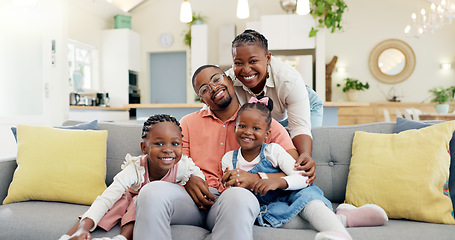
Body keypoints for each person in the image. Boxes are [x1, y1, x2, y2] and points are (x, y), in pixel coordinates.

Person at [133, 65, 316, 240]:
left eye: (216, 79)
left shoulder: (262, 122)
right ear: (202, 100)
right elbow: (177, 160)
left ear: (229, 79)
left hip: (233, 199)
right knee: (151, 192)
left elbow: (294, 168)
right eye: (204, 89)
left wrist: (257, 178)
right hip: (190, 203)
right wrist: (187, 177)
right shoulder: (187, 123)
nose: (213, 88)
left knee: (238, 196)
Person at [221, 96, 388, 240]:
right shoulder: (229, 159)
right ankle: (343, 219)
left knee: (308, 201)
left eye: (256, 128)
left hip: (293, 194)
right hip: (267, 206)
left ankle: (339, 233)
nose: (247, 132)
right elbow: (233, 193)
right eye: (242, 126)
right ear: (234, 127)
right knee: (276, 219)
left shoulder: (273, 151)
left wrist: (277, 182)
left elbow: (302, 177)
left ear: (267, 134)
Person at [59, 114, 205, 240]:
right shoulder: (135, 168)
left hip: (151, 206)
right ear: (143, 148)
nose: (168, 150)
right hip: (128, 201)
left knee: (139, 199)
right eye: (159, 143)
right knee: (121, 201)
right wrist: (83, 228)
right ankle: (73, 235)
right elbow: (106, 198)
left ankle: (122, 237)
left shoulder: (183, 166)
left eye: (175, 143)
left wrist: (194, 180)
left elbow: (199, 179)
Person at [226, 29, 323, 174]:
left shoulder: (289, 79)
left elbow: (299, 127)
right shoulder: (228, 81)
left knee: (301, 152)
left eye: (253, 61)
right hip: (264, 119)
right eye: (238, 63)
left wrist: (305, 155)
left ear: (268, 58)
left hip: (304, 107)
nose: (246, 70)